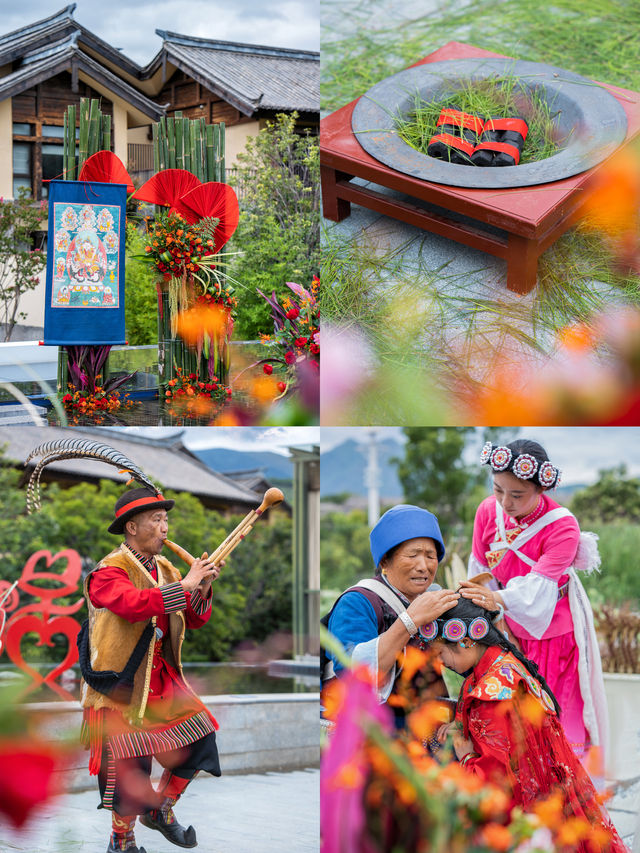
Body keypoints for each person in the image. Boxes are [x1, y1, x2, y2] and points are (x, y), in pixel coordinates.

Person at [79, 487, 222, 853]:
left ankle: (161, 809)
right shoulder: (108, 572)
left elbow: (194, 618)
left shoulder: (167, 568)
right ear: (131, 526)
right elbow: (132, 605)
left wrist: (201, 586)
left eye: (165, 519)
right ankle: (121, 840)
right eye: (156, 520)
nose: (164, 527)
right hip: (122, 684)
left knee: (201, 738)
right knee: (129, 766)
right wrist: (187, 584)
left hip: (160, 679)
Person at [431, 598, 627, 853]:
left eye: (440, 653)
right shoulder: (508, 664)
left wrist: (466, 755)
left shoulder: (490, 696)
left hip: (524, 816)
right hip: (552, 798)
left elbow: (496, 787)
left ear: (465, 640)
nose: (440, 662)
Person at [459, 439, 608, 762]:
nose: (505, 502)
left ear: (542, 489)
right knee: (511, 717)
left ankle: (567, 796)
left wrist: (495, 598)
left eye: (517, 495)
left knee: (553, 713)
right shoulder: (487, 510)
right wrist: (493, 619)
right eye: (498, 489)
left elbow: (537, 592)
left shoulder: (562, 526)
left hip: (553, 632)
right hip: (506, 625)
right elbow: (481, 569)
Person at [325, 504, 459, 727]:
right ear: (385, 561)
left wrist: (490, 611)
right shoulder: (357, 602)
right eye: (413, 555)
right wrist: (410, 621)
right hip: (374, 736)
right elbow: (355, 675)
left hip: (428, 729)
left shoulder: (435, 599)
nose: (423, 566)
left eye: (431, 556)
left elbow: (466, 656)